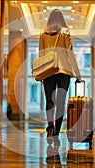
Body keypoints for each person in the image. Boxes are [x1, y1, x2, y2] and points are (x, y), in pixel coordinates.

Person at [38, 9, 81, 146]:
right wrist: (77, 73)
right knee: (61, 103)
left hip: (49, 72)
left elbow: (41, 56)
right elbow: (70, 54)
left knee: (49, 101)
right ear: (61, 19)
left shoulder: (43, 35)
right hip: (63, 72)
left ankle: (50, 127)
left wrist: (41, 74)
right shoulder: (65, 33)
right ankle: (56, 132)